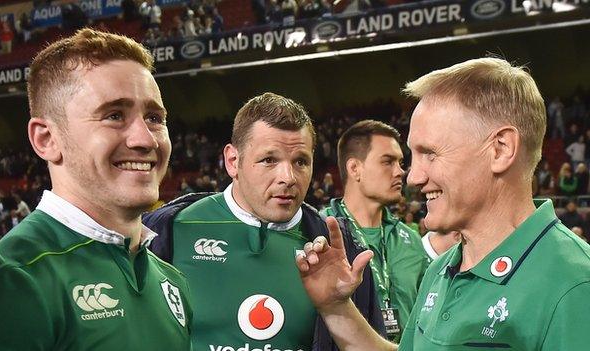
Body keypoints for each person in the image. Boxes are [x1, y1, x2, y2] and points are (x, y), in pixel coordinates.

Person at [296, 57, 590, 350]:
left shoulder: (574, 285)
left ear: (500, 149)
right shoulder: (440, 269)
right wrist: (336, 307)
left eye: (431, 154)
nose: (414, 177)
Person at [0, 29, 192, 350]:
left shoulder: (173, 283)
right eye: (114, 115)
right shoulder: (0, 283)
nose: (146, 139)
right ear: (47, 139)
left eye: (154, 117)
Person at [143, 92, 383, 351]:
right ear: (233, 161)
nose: (288, 177)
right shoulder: (163, 232)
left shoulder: (341, 251)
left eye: (301, 161)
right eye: (269, 160)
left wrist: (339, 308)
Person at [320, 120, 430, 341]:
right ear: (355, 169)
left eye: (400, 162)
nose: (400, 171)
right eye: (388, 162)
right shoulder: (319, 233)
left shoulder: (411, 240)